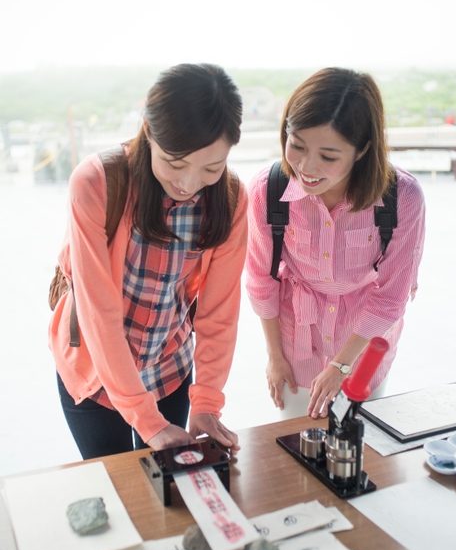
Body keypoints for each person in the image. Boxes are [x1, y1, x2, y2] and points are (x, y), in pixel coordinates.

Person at [49, 63, 247, 459]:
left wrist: (207, 403)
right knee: (116, 489)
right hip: (93, 373)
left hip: (168, 367)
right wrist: (147, 421)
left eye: (212, 167)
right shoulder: (96, 183)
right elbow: (99, 313)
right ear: (149, 132)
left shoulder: (229, 199)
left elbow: (218, 314)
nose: (189, 184)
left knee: (170, 497)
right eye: (175, 163)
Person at [246, 67, 425, 420]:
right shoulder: (267, 191)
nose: (307, 167)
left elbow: (391, 297)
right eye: (296, 145)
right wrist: (274, 357)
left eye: (328, 156)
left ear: (362, 150)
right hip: (296, 341)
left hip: (364, 345)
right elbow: (260, 282)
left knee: (362, 446)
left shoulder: (402, 198)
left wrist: (342, 366)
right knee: (297, 446)